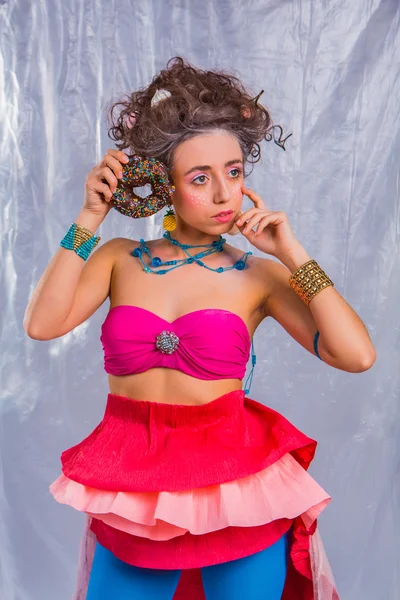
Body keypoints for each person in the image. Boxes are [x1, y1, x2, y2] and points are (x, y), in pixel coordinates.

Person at [24, 57, 376, 600]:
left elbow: (356, 356)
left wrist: (292, 253)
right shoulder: (121, 258)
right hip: (134, 480)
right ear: (163, 183)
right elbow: (43, 324)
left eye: (234, 172)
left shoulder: (257, 274)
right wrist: (88, 218)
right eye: (200, 178)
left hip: (237, 485)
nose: (222, 195)